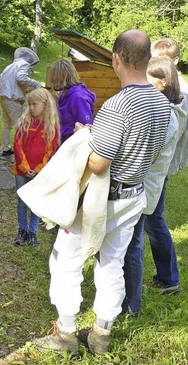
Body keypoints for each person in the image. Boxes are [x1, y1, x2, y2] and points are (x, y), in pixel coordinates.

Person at [34, 30, 170, 356]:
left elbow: (97, 164)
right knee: (112, 263)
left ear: (116, 59)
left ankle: (66, 334)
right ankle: (101, 335)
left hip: (102, 199)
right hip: (134, 193)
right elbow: (151, 152)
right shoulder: (161, 102)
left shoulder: (117, 106)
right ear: (147, 59)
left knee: (66, 261)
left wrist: (86, 136)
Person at [122, 56, 188, 313]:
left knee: (133, 245)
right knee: (135, 240)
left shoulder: (166, 113)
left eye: (148, 79)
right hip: (145, 184)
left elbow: (145, 153)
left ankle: (131, 305)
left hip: (143, 186)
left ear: (163, 82)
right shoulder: (164, 107)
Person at [12, 88, 60, 247]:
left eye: (35, 104)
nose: (31, 108)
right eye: (29, 105)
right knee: (21, 202)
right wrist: (25, 168)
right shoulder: (24, 122)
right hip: (21, 171)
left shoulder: (51, 126)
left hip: (40, 173)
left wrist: (39, 169)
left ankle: (32, 232)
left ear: (45, 105)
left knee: (36, 203)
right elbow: (17, 146)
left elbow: (50, 151)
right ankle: (22, 230)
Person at [0, 47, 42, 156]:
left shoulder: (10, 66)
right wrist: (36, 84)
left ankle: (6, 148)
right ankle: (21, 151)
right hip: (12, 100)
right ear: (29, 59)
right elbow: (21, 78)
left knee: (7, 124)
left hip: (4, 98)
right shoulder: (24, 65)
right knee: (20, 125)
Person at [48, 59, 95, 142]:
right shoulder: (62, 94)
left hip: (72, 139)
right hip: (62, 136)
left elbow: (86, 126)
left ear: (61, 77)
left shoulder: (78, 97)